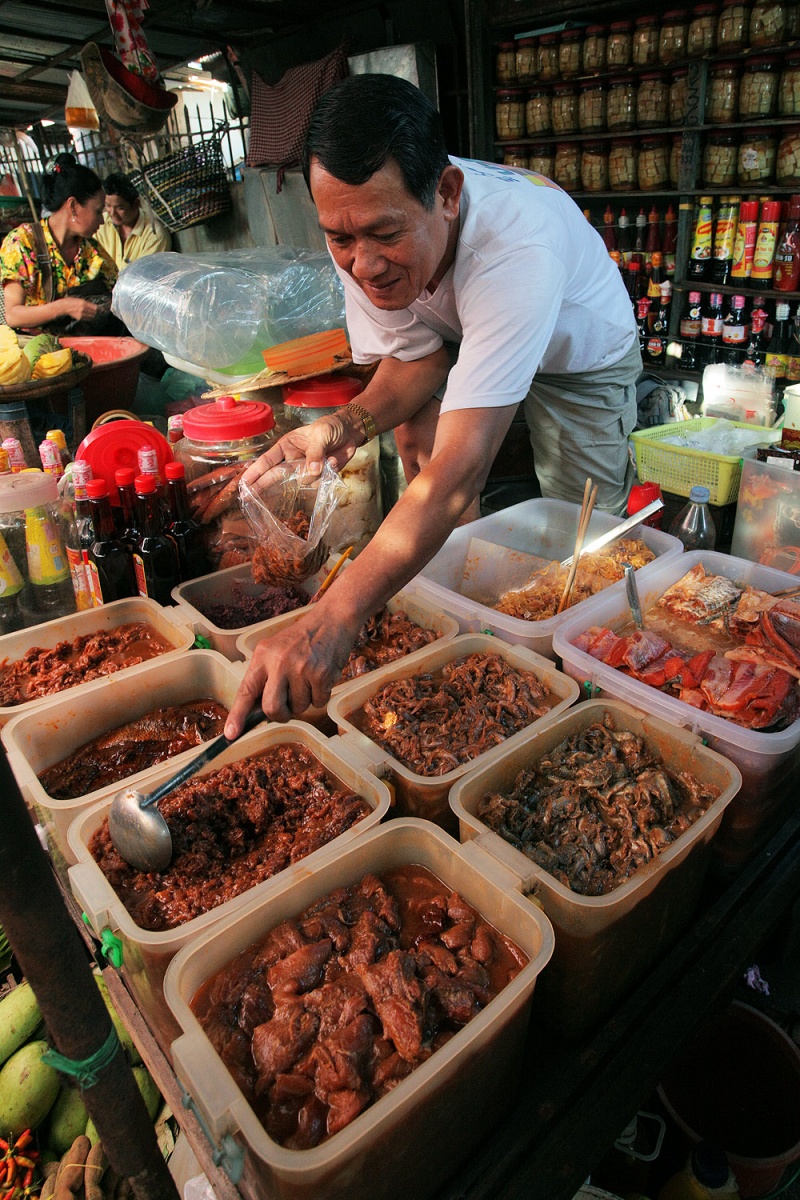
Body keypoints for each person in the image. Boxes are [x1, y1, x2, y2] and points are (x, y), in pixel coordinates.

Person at [225, 73, 641, 735]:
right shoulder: (363, 222)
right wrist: (340, 426)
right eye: (339, 239)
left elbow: (459, 475)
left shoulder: (515, 251)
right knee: (418, 451)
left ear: (446, 194)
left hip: (579, 356)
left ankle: (588, 700)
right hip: (465, 323)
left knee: (581, 534)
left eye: (383, 236)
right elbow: (415, 360)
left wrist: (334, 618)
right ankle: (476, 627)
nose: (362, 267)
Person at [0, 152, 117, 333]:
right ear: (73, 206)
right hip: (36, 351)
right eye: (98, 211)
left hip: (83, 345)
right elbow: (13, 315)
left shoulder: (90, 250)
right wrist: (64, 307)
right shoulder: (22, 243)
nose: (102, 221)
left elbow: (118, 291)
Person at [95, 172, 170, 269]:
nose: (112, 213)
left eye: (119, 208)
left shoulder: (154, 235)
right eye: (108, 206)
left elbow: (143, 277)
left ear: (136, 204)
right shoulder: (101, 224)